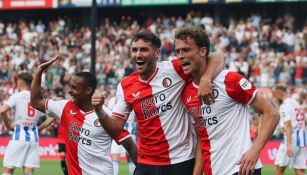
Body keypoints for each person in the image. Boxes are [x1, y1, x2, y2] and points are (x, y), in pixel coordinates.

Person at [92, 31, 225, 175]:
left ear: (156, 53)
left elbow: (218, 57)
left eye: (144, 49)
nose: (138, 54)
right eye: (134, 50)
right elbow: (116, 129)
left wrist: (206, 78)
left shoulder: (174, 69)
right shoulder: (125, 86)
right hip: (147, 163)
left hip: (181, 160)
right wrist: (99, 110)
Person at [175, 26, 280, 175]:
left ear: (203, 51)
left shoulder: (229, 80)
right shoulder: (186, 93)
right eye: (178, 51)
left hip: (242, 169)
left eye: (185, 50)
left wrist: (255, 151)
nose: (180, 56)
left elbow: (272, 113)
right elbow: (202, 136)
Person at [30, 56, 138, 175]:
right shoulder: (65, 107)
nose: (69, 91)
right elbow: (36, 101)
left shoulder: (106, 116)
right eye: (69, 86)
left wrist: (143, 170)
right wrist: (39, 71)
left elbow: (130, 146)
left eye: (74, 88)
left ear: (88, 90)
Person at [0, 72, 45, 175]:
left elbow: (2, 111)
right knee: (28, 172)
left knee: (8, 170)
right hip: (34, 138)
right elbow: (52, 116)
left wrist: (8, 125)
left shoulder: (17, 96)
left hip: (19, 136)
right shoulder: (38, 98)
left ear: (19, 82)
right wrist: (40, 127)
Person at [272, 84, 306, 175]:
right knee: (300, 170)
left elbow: (288, 125)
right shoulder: (296, 103)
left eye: (274, 94)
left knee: (279, 168)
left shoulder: (285, 106)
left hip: (292, 138)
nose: (274, 97)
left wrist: (289, 145)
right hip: (302, 139)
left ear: (279, 93)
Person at [108, 96, 137, 175]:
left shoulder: (133, 96)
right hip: (121, 131)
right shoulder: (112, 100)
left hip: (127, 130)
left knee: (128, 158)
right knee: (118, 157)